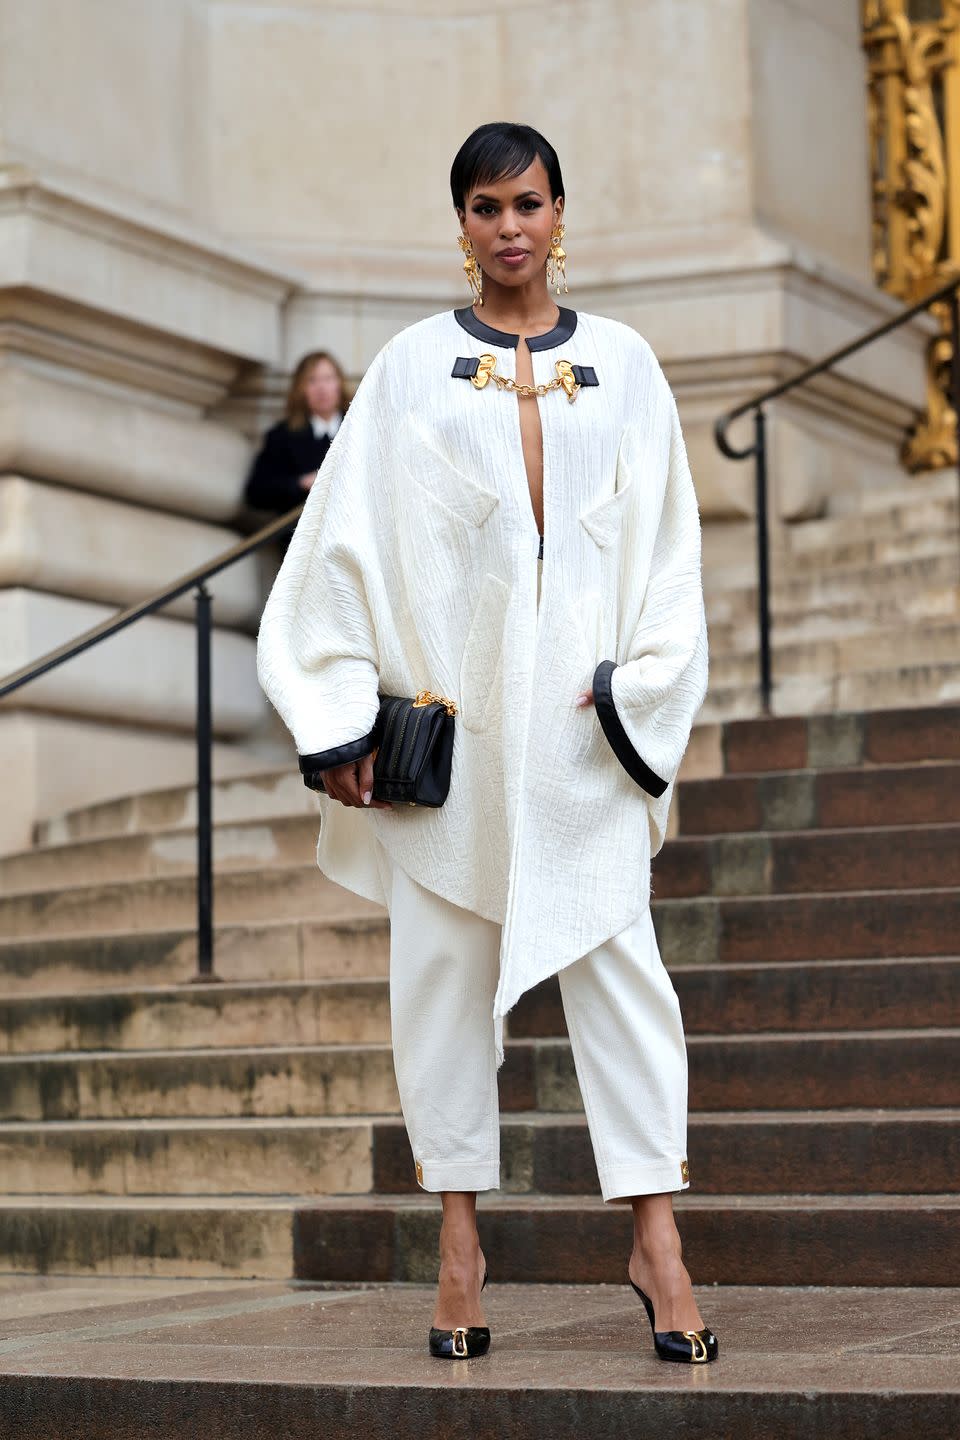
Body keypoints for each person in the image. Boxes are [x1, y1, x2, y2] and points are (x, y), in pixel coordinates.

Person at [255, 122, 715, 1365]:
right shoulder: (407, 369)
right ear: (457, 224)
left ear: (563, 213)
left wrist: (642, 695)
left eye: (528, 202)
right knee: (440, 990)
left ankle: (655, 1239)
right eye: (483, 206)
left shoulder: (625, 365)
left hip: (581, 739)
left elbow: (671, 559)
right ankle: (459, 1239)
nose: (508, 227)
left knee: (627, 985)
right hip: (451, 748)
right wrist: (342, 718)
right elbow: (337, 553)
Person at [244, 350, 350, 516]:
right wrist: (301, 484)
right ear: (301, 389)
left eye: (328, 379)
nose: (322, 388)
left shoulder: (359, 428)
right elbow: (256, 493)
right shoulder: (282, 437)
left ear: (339, 384)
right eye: (312, 380)